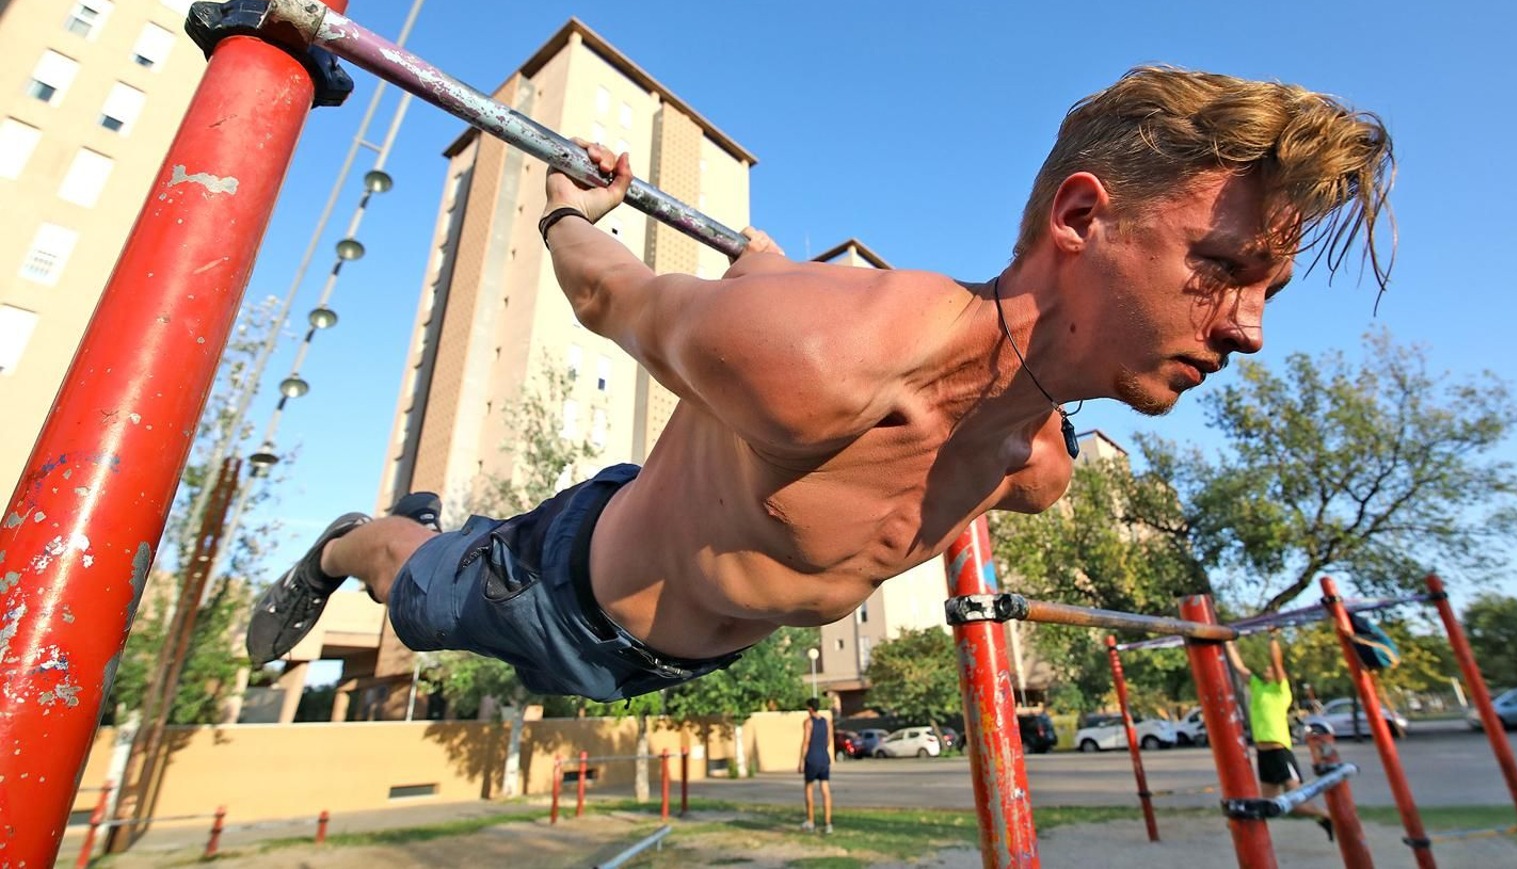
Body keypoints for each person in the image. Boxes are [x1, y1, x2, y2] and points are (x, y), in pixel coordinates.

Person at [248, 66, 1396, 706]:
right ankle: (361, 537)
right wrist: (564, 210)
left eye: (1269, 293)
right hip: (557, 597)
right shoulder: (822, 357)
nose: (1246, 330)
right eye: (1223, 270)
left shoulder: (1038, 466)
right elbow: (611, 298)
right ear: (1083, 218)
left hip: (690, 653)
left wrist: (772, 271)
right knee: (412, 588)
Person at [1226, 628, 1335, 841]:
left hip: (1280, 752)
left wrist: (1272, 637)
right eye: (1266, 668)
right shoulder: (1258, 688)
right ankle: (1249, 837)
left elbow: (1277, 662)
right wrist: (1228, 643)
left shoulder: (1280, 690)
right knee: (1266, 805)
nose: (1268, 669)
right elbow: (1239, 667)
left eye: (1271, 669)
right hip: (1264, 754)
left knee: (1297, 803)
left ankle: (1328, 817)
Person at [797, 697, 834, 833]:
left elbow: (806, 741)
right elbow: (828, 740)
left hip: (812, 758)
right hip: (824, 758)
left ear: (809, 708)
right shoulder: (826, 722)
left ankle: (811, 821)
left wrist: (801, 760)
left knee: (809, 789)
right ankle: (828, 823)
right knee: (825, 790)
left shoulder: (808, 722)